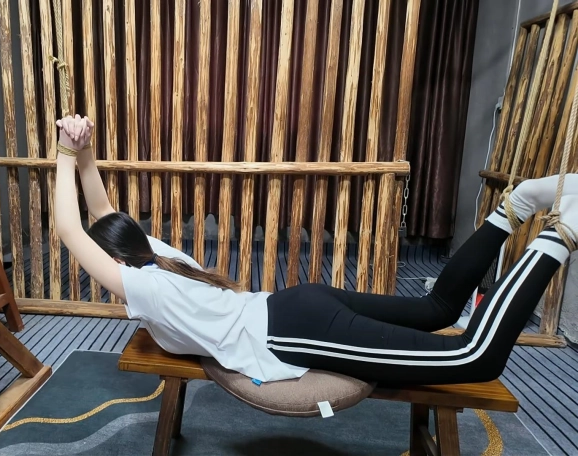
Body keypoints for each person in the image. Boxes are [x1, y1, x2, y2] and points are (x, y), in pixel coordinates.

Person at [53, 114, 578, 385]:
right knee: (435, 310)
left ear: (113, 261)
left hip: (289, 332)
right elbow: (102, 213)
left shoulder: (143, 284)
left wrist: (64, 151)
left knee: (475, 357)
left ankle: (560, 233)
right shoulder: (157, 256)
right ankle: (515, 207)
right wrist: (84, 151)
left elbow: (74, 229)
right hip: (295, 304)